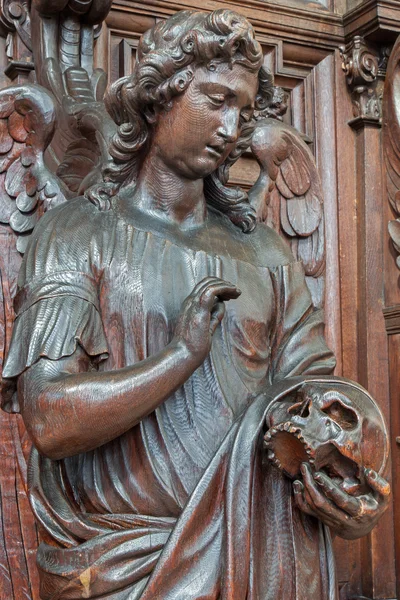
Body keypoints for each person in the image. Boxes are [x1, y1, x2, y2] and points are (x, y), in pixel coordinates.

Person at [2, 9, 389, 600]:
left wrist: (346, 488)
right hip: (121, 565)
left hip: (260, 556)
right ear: (159, 98)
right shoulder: (78, 233)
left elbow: (318, 406)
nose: (233, 126)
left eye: (243, 109)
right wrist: (180, 356)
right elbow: (50, 418)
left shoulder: (264, 253)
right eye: (216, 100)